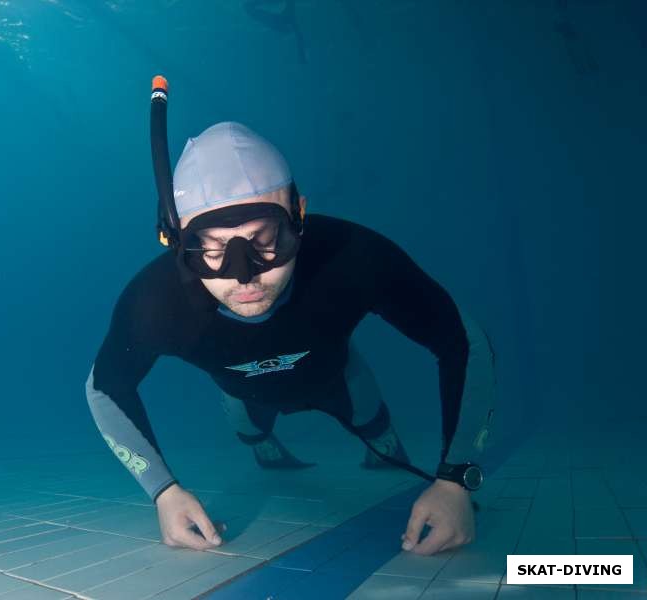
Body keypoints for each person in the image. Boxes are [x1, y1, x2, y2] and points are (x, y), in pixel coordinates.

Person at [85, 119, 496, 556]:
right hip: (245, 394)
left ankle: (373, 436)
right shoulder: (155, 303)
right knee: (254, 434)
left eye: (265, 240)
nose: (244, 276)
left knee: (375, 427)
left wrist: (455, 480)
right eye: (211, 249)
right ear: (177, 240)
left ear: (299, 217)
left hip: (337, 375)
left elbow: (460, 339)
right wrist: (163, 492)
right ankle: (263, 440)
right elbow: (105, 386)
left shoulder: (353, 257)